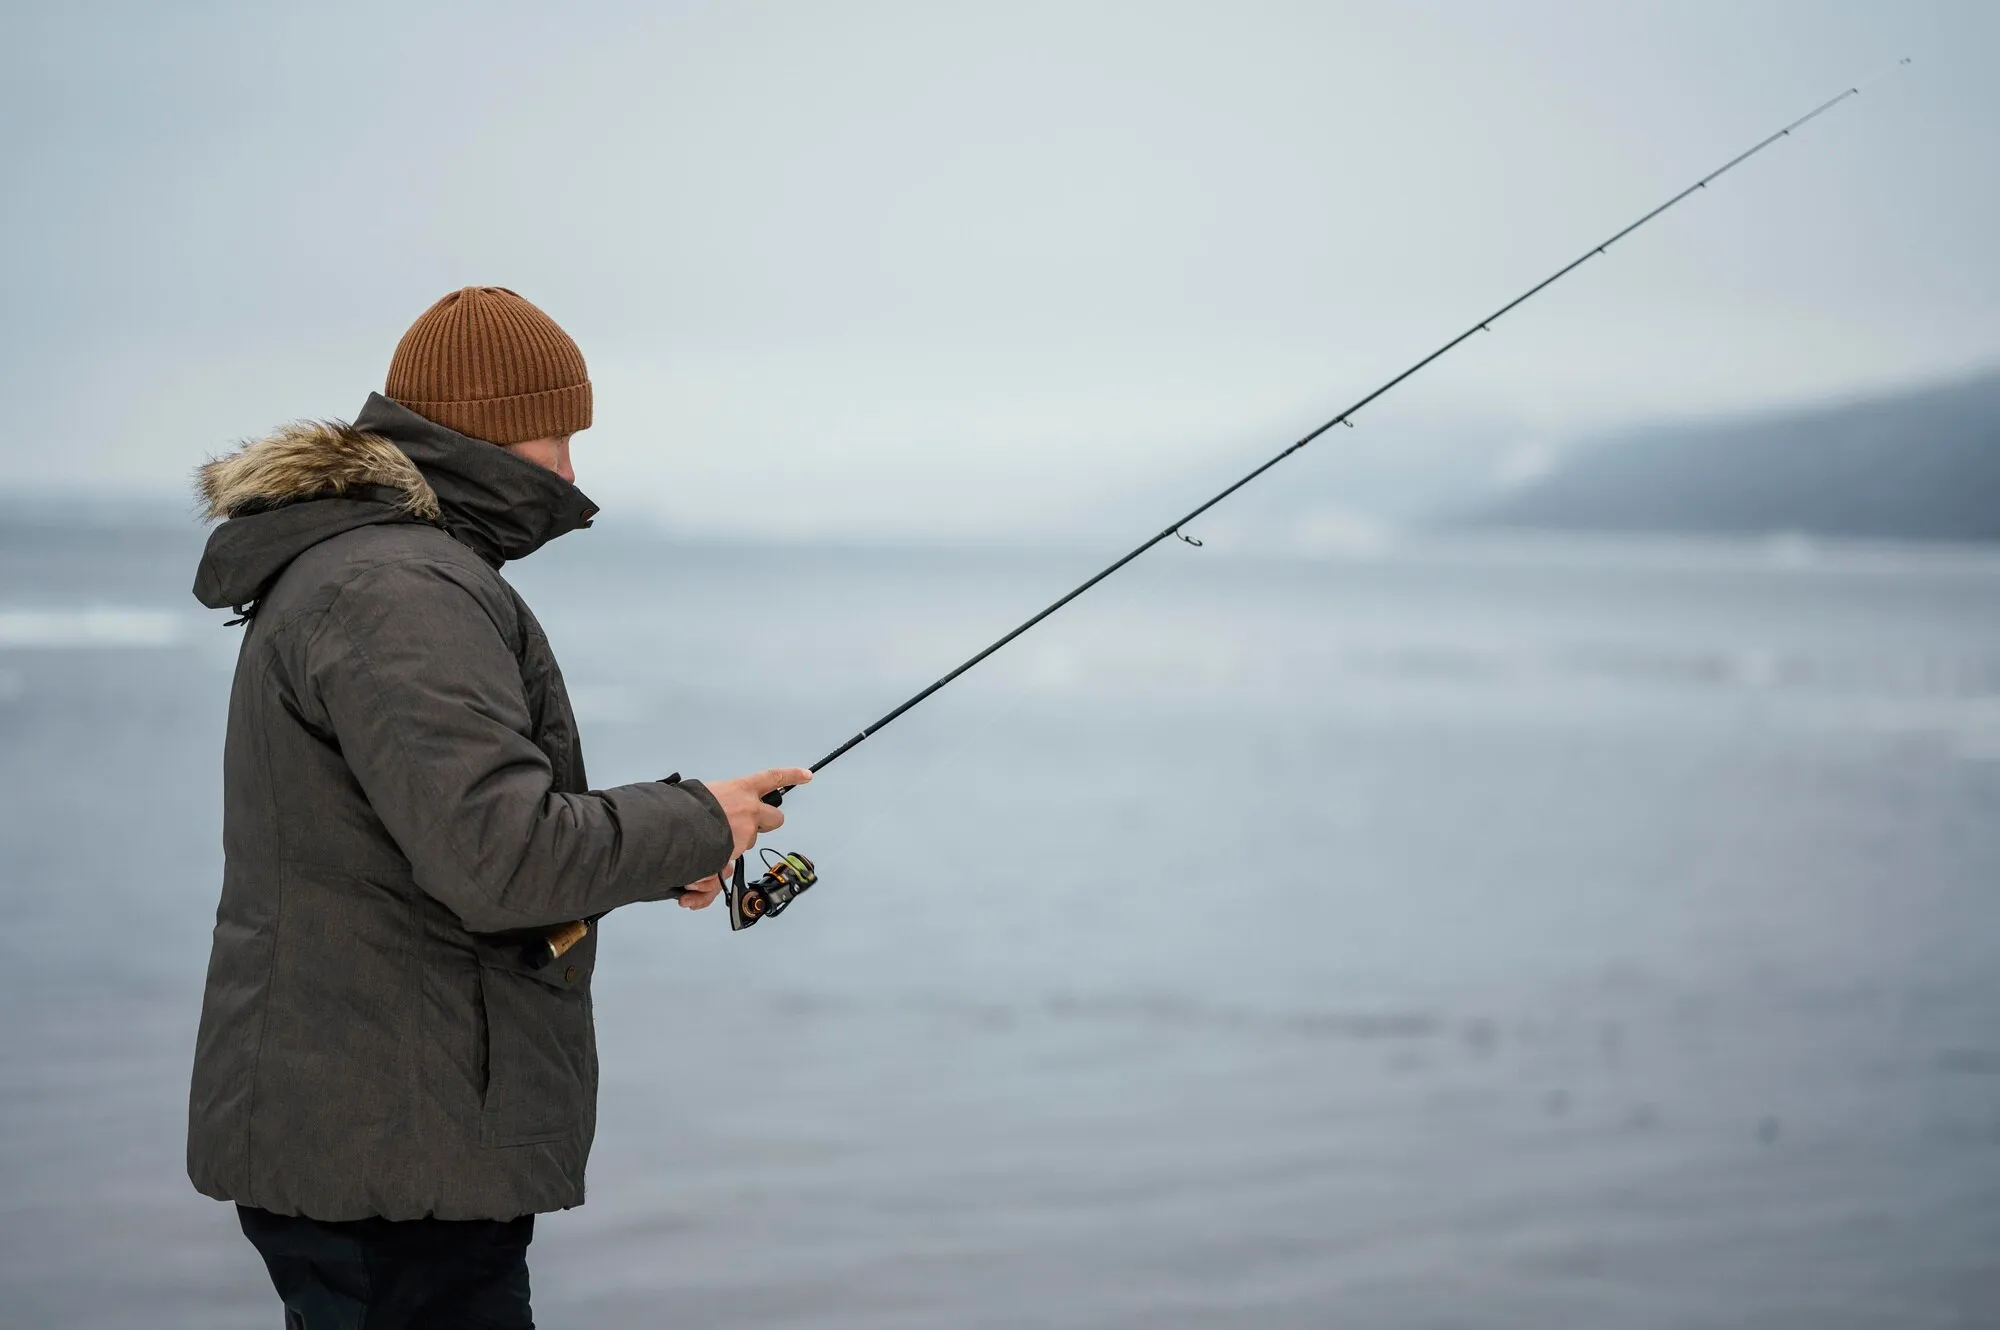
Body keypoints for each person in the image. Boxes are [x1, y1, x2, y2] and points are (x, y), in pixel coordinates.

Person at [186, 286, 809, 1328]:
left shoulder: (383, 571)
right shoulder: (395, 590)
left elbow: (447, 839)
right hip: (395, 1153)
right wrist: (694, 818)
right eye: (553, 430)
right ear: (474, 429)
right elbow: (499, 857)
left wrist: (674, 847)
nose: (570, 466)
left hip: (386, 1135)